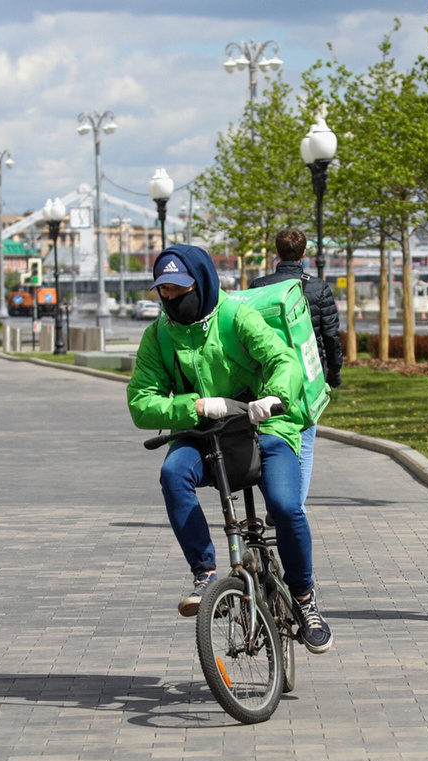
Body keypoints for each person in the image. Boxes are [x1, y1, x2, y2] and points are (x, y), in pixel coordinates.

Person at [127, 244, 333, 654]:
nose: (171, 298)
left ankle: (306, 599)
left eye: (179, 289)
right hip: (206, 431)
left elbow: (284, 361)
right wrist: (195, 406)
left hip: (264, 422)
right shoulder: (159, 336)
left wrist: (273, 397)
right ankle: (205, 573)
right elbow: (141, 401)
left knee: (286, 506)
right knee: (173, 475)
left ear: (200, 282)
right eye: (163, 291)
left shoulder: (237, 316)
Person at [250, 227, 343, 504]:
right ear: (304, 253)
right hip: (309, 378)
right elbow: (331, 337)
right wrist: (334, 373)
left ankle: (276, 502)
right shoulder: (318, 288)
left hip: (268, 377)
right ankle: (294, 508)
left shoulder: (258, 287)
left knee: (267, 440)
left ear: (276, 253)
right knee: (306, 444)